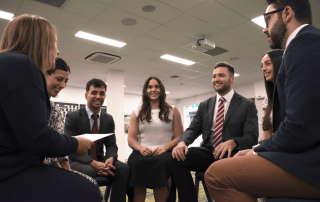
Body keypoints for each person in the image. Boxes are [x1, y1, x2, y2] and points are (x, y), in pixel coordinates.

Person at [204, 0, 320, 201]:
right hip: (306, 154)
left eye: (267, 20)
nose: (264, 29)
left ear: (286, 13)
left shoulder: (304, 42)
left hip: (311, 163)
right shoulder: (307, 43)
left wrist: (257, 151)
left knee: (216, 175)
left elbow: (300, 127)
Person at [0, 14, 100, 202]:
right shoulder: (22, 65)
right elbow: (38, 138)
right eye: (55, 43)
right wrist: (76, 143)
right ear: (41, 43)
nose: (58, 51)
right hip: (9, 173)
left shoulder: (8, 64)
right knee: (89, 191)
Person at [170, 62, 259, 202]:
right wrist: (182, 142)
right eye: (214, 76)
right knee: (176, 157)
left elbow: (252, 137)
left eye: (221, 75)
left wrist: (234, 142)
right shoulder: (205, 105)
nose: (216, 79)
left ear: (232, 79)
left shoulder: (247, 105)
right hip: (207, 152)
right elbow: (193, 129)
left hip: (231, 156)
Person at [44, 58, 104, 201]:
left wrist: (67, 172)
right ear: (44, 75)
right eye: (59, 79)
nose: (63, 85)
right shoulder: (29, 103)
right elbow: (43, 142)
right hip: (33, 166)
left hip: (52, 165)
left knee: (91, 186)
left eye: (66, 81)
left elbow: (58, 147)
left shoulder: (55, 109)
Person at [64, 78, 131, 202]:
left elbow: (111, 145)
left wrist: (110, 159)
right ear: (86, 95)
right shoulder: (72, 117)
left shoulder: (108, 119)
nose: (98, 96)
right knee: (88, 170)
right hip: (79, 161)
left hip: (101, 160)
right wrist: (92, 163)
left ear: (105, 95)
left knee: (124, 169)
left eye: (101, 93)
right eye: (94, 92)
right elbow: (70, 147)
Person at [127, 76, 183, 202]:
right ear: (145, 90)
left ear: (161, 89)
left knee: (163, 163)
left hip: (165, 152)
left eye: (156, 86)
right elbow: (131, 139)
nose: (153, 89)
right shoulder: (137, 112)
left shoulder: (173, 110)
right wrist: (140, 148)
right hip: (142, 152)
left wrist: (165, 147)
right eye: (150, 87)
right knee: (135, 163)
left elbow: (179, 137)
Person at [260, 50, 283, 141]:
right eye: (262, 66)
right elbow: (266, 135)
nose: (263, 69)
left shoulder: (292, 93)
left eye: (268, 64)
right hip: (274, 147)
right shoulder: (267, 100)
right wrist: (255, 150)